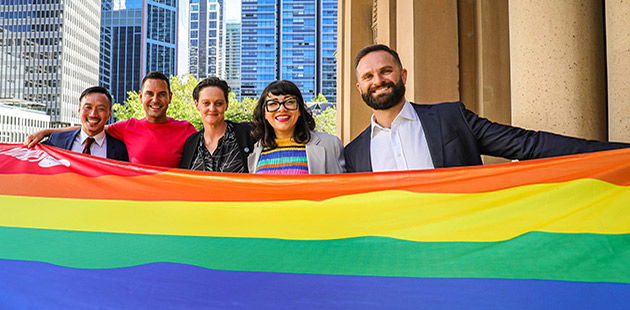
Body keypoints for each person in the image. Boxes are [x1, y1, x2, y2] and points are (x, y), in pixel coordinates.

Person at [345, 44, 630, 172]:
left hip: (464, 251)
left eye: (386, 71)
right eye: (368, 77)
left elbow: (528, 145)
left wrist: (617, 154)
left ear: (402, 75)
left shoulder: (450, 118)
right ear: (360, 88)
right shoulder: (353, 154)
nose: (378, 81)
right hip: (396, 264)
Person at [25, 71, 197, 168]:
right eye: (149, 94)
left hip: (172, 203)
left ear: (170, 97)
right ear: (140, 97)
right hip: (135, 206)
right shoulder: (128, 127)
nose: (155, 100)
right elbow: (90, 128)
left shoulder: (186, 129)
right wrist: (46, 132)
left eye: (161, 94)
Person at [248, 80, 345, 174]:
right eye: (273, 104)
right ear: (265, 113)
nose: (282, 109)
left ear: (299, 110)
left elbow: (339, 187)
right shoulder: (256, 149)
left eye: (289, 102)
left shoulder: (329, 144)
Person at [179, 77, 255, 172]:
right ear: (197, 105)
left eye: (218, 103)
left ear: (226, 105)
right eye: (206, 103)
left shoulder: (247, 133)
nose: (212, 109)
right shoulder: (191, 143)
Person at [42, 86, 128, 162]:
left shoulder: (120, 150)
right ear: (79, 110)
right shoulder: (56, 141)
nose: (93, 114)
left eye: (101, 109)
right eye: (88, 107)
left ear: (109, 114)